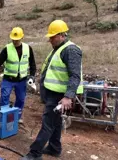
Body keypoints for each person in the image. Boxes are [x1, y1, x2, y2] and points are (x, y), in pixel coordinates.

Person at [20, 20, 83, 160]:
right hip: (54, 94)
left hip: (60, 96)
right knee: (56, 122)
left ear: (62, 35)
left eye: (52, 37)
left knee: (48, 123)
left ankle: (34, 154)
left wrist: (68, 96)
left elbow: (75, 76)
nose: (50, 40)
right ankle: (54, 148)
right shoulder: (60, 48)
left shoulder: (71, 50)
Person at [0, 27, 36, 123]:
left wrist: (32, 75)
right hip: (8, 79)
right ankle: (2, 118)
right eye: (13, 39)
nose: (14, 41)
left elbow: (32, 63)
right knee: (4, 98)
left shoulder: (28, 48)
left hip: (21, 80)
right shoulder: (7, 48)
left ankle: (16, 118)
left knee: (21, 99)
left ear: (22, 37)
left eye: (17, 39)